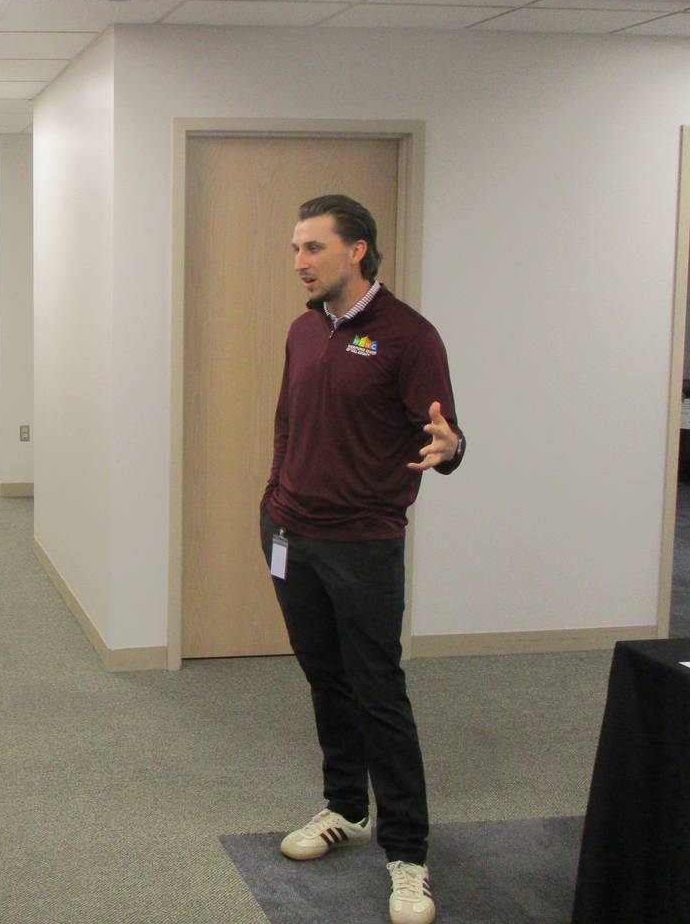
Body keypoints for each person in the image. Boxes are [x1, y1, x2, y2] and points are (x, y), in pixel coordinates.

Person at [261, 196, 465, 924]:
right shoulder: (302, 331)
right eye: (295, 247)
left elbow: (443, 433)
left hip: (364, 543)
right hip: (291, 532)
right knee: (326, 677)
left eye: (312, 248)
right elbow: (287, 422)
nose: (299, 263)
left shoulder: (409, 337)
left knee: (379, 690)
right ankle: (345, 806)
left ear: (357, 251)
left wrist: (452, 450)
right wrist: (276, 498)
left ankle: (408, 854)